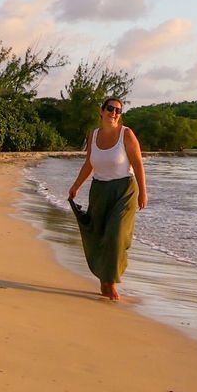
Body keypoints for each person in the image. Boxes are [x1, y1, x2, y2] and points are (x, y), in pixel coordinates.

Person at [67, 98, 147, 301]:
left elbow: (138, 164)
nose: (114, 113)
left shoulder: (126, 134)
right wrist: (76, 186)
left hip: (125, 190)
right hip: (99, 190)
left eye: (118, 110)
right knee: (99, 235)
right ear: (101, 111)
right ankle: (104, 279)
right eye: (110, 108)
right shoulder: (93, 135)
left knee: (115, 234)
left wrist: (144, 193)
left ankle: (110, 283)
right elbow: (88, 164)